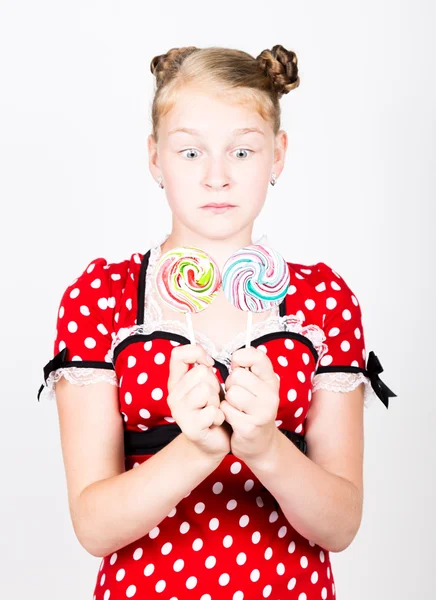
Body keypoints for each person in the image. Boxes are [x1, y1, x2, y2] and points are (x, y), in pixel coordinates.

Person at [37, 44, 396, 600]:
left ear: (278, 155)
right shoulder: (104, 298)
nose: (217, 177)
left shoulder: (322, 301)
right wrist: (196, 449)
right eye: (190, 153)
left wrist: (267, 448)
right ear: (154, 157)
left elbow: (341, 523)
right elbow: (93, 525)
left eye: (243, 152)